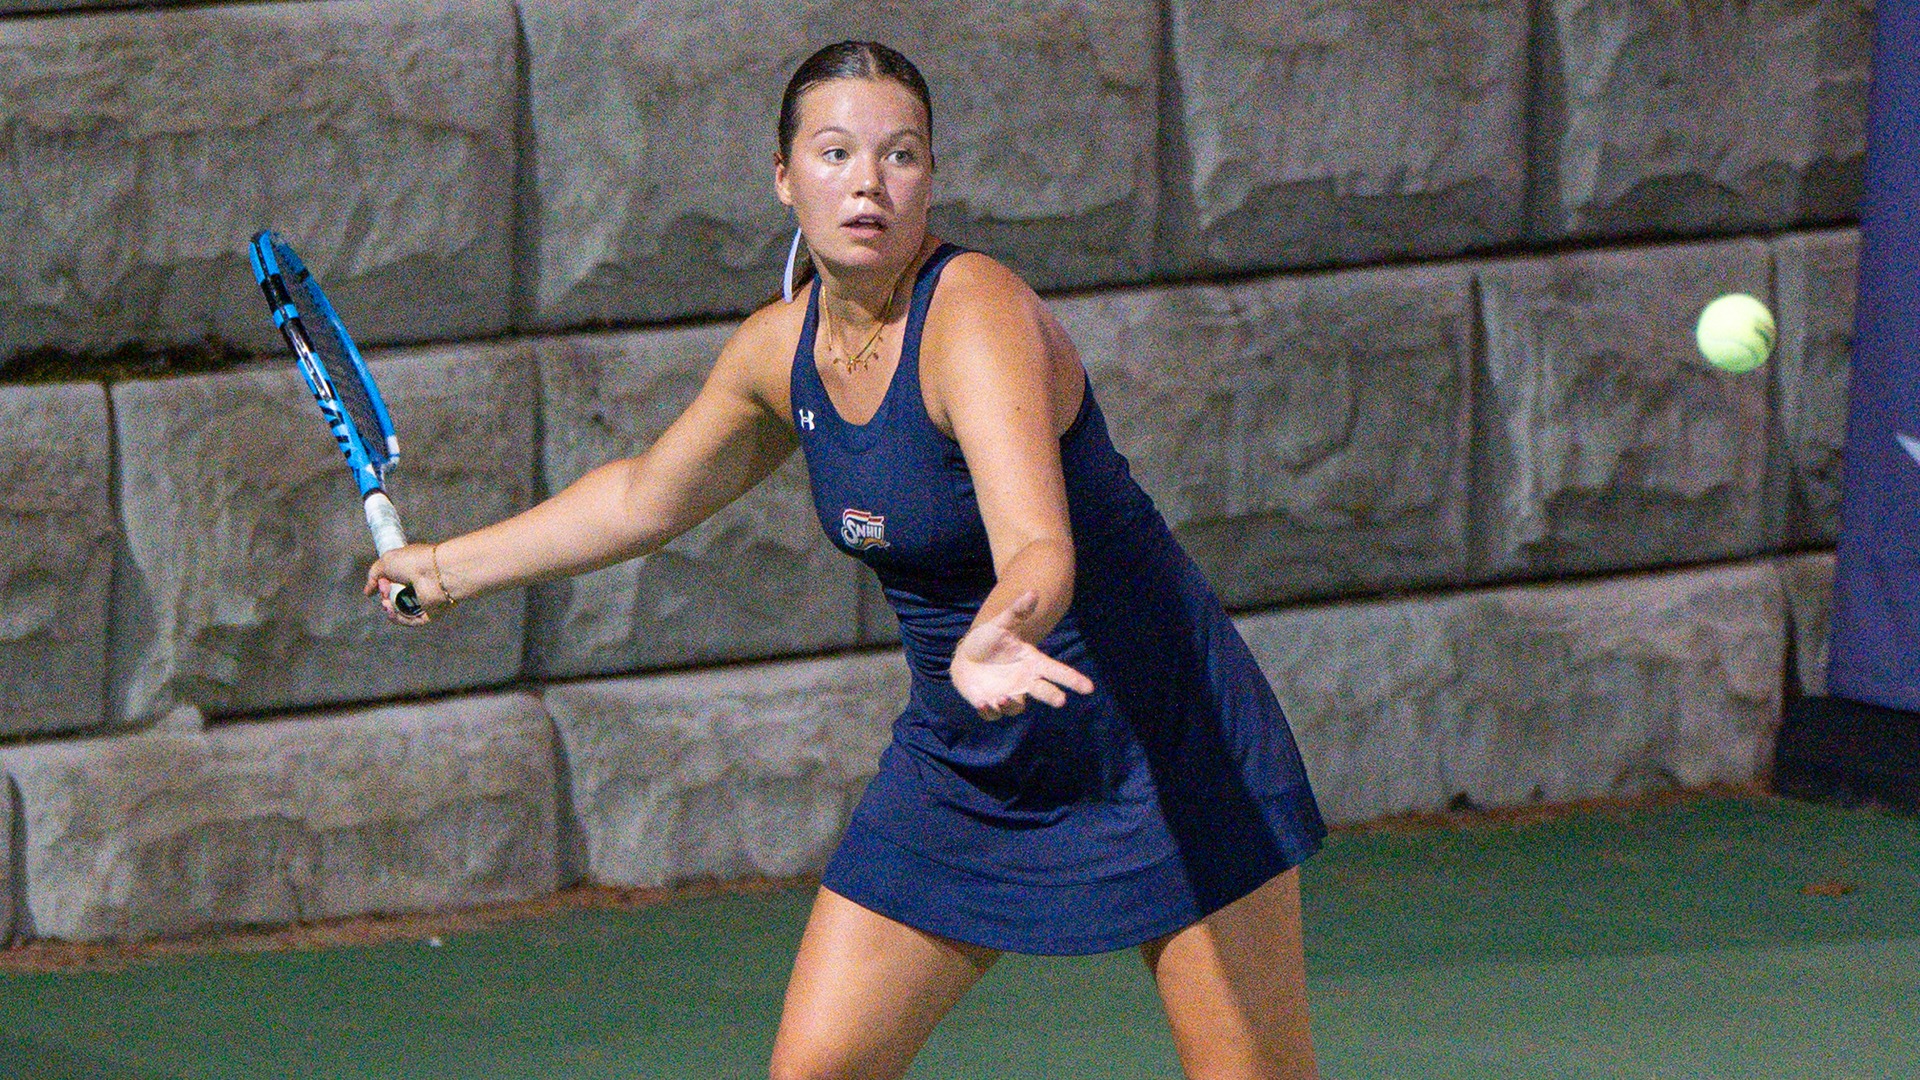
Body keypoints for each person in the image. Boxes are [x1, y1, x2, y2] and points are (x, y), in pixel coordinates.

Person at [368, 40, 1328, 1080]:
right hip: (967, 759)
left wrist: (1005, 625)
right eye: (834, 153)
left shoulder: (977, 315)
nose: (867, 181)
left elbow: (1039, 544)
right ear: (783, 176)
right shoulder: (779, 354)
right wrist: (450, 567)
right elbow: (646, 496)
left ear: (930, 177)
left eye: (900, 154)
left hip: (1161, 732)